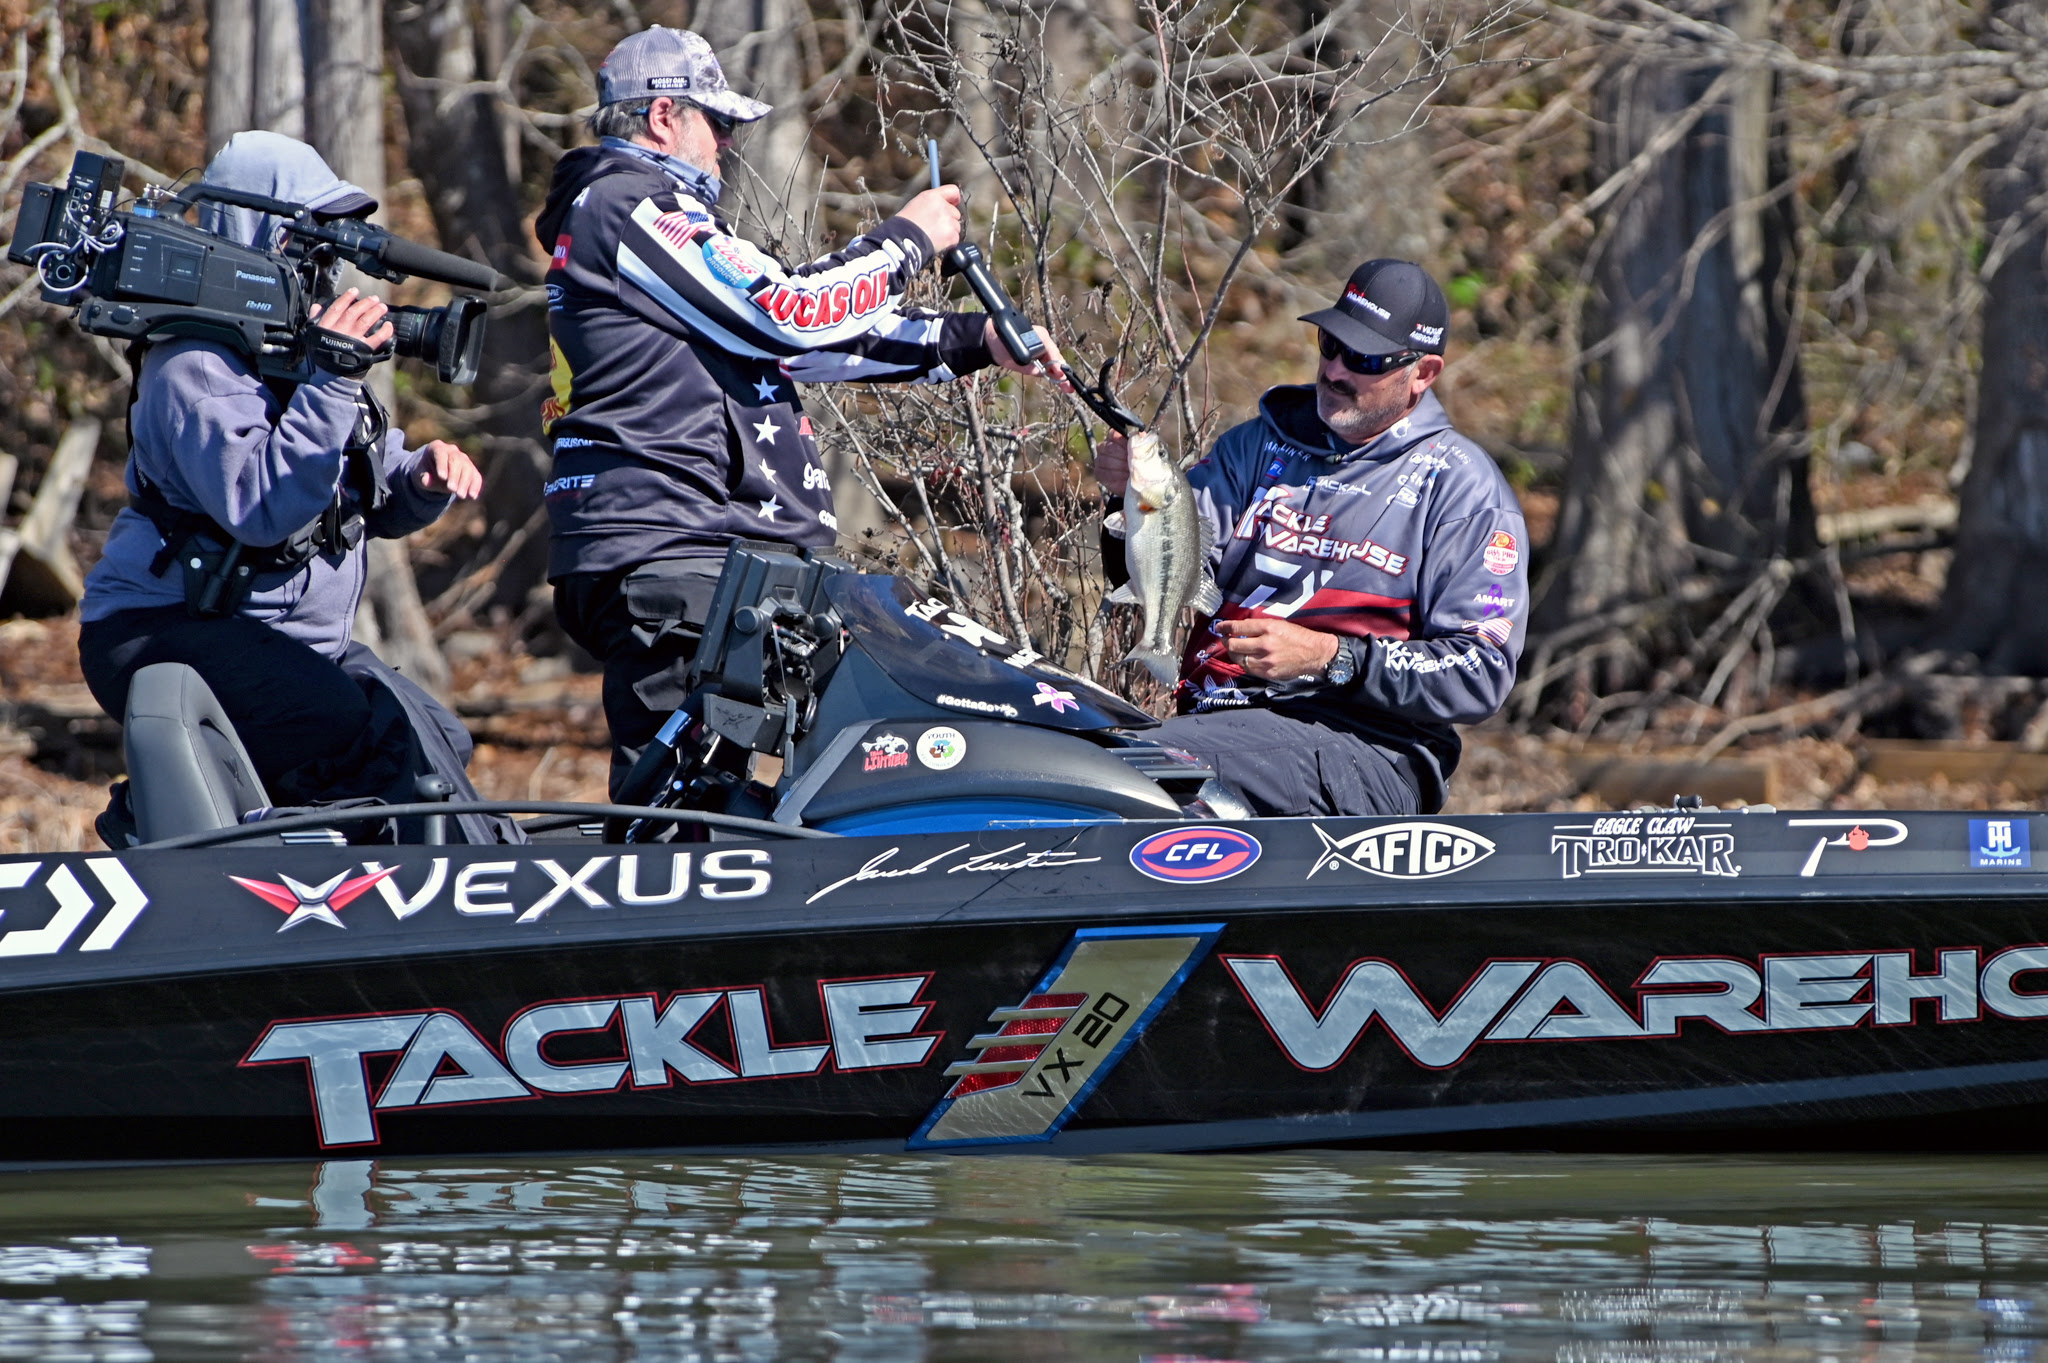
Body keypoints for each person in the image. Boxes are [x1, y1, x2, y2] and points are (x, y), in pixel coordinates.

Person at [535, 26, 1069, 794]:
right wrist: (908, 239)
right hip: (679, 549)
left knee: (800, 788)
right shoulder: (627, 206)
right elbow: (787, 311)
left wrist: (974, 338)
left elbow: (796, 345)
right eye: (715, 124)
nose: (722, 146)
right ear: (662, 117)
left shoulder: (640, 218)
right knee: (689, 813)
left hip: (726, 555)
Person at [77, 131, 505, 842]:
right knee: (350, 737)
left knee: (432, 734)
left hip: (267, 633)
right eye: (306, 239)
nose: (322, 262)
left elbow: (367, 483)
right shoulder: (194, 364)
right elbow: (261, 506)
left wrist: (421, 476)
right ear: (257, 234)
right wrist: (332, 380)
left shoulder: (293, 348)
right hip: (163, 627)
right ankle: (271, 877)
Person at [1095, 260, 1530, 817]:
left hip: (1366, 749)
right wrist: (1128, 501)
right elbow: (1156, 575)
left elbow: (1481, 673)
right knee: (1077, 760)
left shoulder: (1463, 489)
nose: (1335, 370)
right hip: (1218, 727)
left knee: (1136, 771)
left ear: (1422, 373)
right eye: (1330, 343)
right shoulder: (1255, 446)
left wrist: (1331, 657)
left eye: (1365, 359)